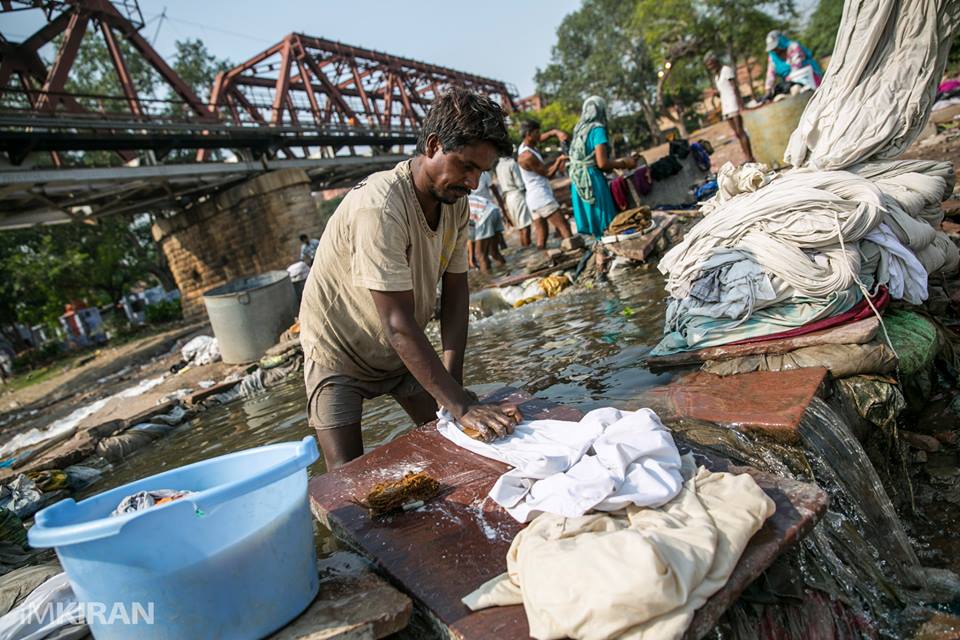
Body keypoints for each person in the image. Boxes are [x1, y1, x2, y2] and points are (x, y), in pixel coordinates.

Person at [298, 88, 522, 469]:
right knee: (349, 485)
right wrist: (461, 404)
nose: (472, 183)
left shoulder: (455, 203)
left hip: (401, 352)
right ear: (433, 145)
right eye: (466, 167)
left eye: (480, 173)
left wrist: (453, 390)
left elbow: (456, 295)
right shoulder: (381, 205)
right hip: (339, 353)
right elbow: (396, 324)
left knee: (460, 445)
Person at [568, 96, 637, 238]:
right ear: (601, 110)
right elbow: (602, 163)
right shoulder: (597, 129)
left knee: (592, 223)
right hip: (591, 180)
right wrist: (625, 163)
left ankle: (600, 251)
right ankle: (608, 250)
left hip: (577, 180)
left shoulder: (579, 129)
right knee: (604, 221)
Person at [517, 120, 573, 249]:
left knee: (542, 235)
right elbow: (548, 174)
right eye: (537, 132)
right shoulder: (527, 156)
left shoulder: (527, 146)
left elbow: (543, 138)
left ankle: (542, 259)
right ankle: (575, 252)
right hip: (541, 197)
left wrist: (555, 132)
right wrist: (559, 160)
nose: (540, 135)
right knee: (564, 227)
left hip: (533, 199)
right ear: (528, 134)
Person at [704, 53, 755, 164]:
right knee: (736, 133)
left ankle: (750, 157)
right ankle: (746, 156)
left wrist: (740, 103)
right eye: (708, 66)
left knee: (740, 131)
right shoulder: (716, 76)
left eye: (711, 64)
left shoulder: (726, 70)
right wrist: (715, 93)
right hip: (725, 106)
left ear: (716, 62)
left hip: (733, 103)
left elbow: (734, 87)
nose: (710, 67)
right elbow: (722, 91)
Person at [467, 171, 507, 272]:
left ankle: (489, 282)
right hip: (493, 209)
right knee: (494, 252)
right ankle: (507, 273)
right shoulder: (459, 199)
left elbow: (470, 235)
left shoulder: (452, 212)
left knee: (480, 255)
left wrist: (471, 257)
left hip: (483, 215)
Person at [764, 30, 823, 97]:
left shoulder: (793, 47)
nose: (775, 49)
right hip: (791, 84)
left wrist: (789, 82)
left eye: (776, 46)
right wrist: (768, 89)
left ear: (781, 41)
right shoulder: (772, 56)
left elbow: (797, 65)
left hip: (807, 77)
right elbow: (770, 74)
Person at [495, 155, 533, 247]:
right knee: (525, 225)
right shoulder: (512, 163)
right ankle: (528, 247)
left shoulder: (498, 166)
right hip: (517, 195)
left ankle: (525, 247)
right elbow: (520, 183)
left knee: (520, 226)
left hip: (508, 197)